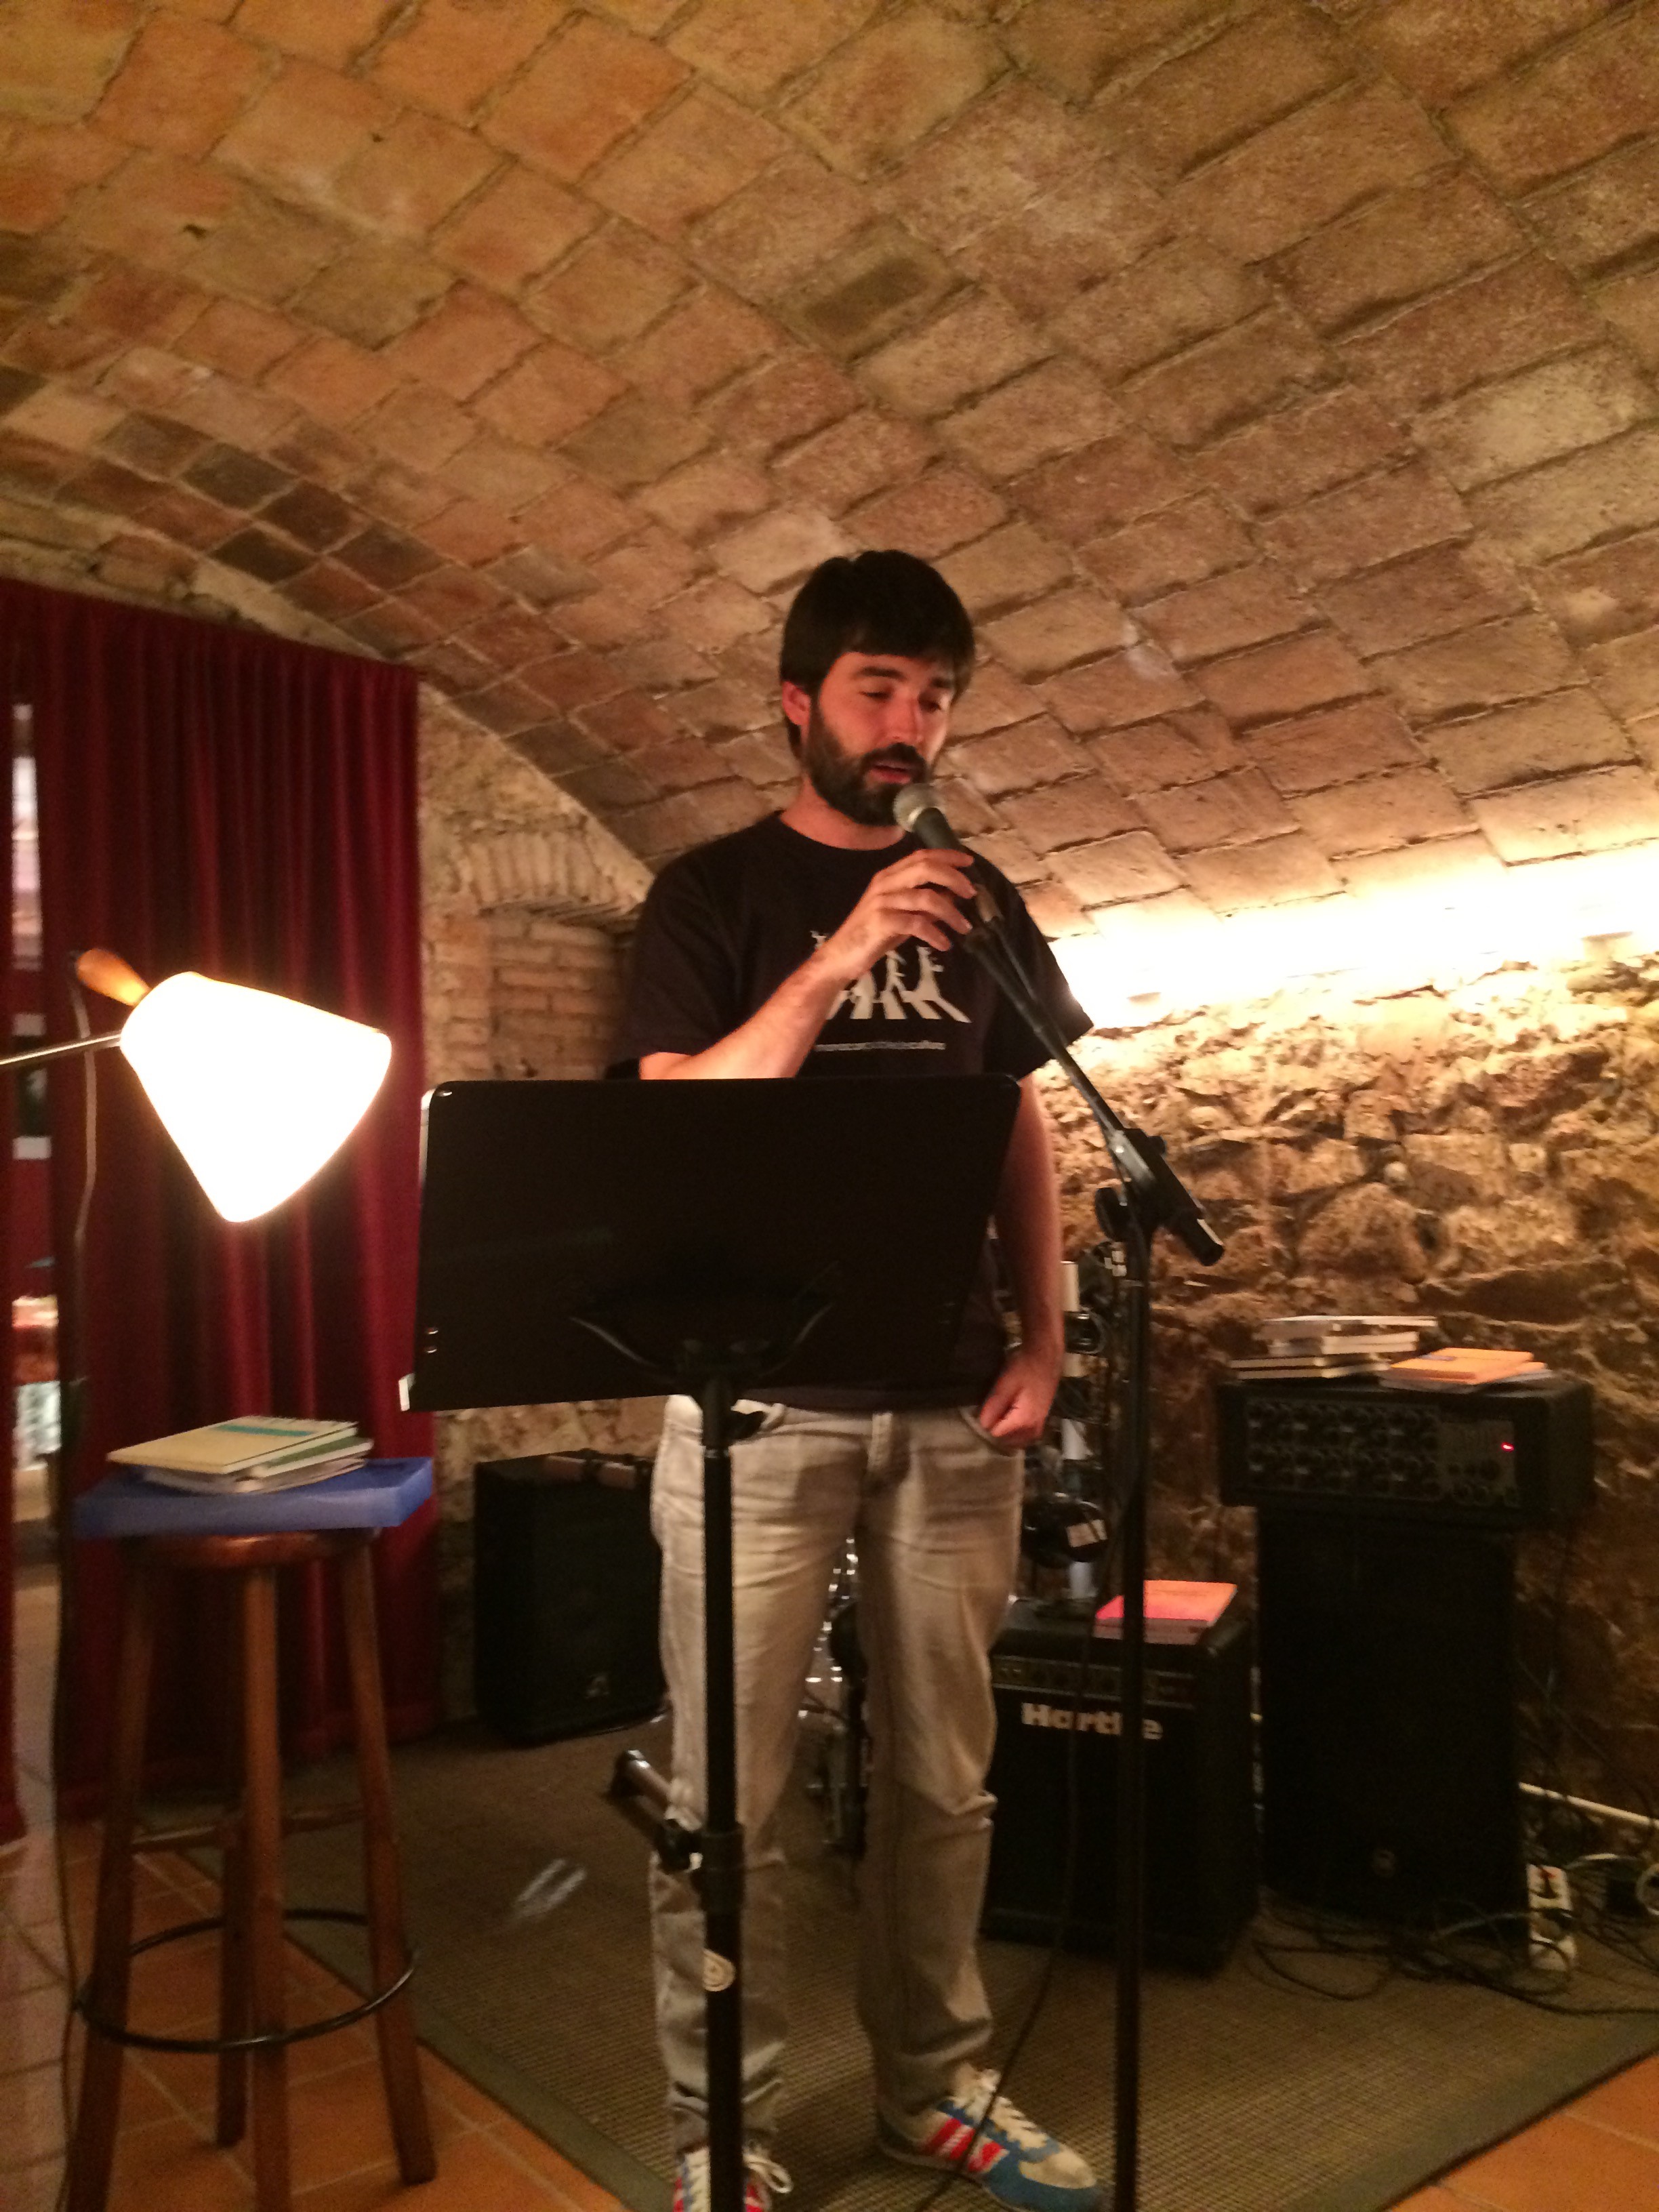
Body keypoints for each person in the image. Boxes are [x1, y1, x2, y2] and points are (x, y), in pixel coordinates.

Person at [609, 550, 1097, 2212]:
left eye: (937, 697)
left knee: (945, 1781)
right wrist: (835, 960)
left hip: (953, 1401)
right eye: (880, 689)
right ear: (798, 703)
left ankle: (933, 2088)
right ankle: (717, 2127)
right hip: (752, 1406)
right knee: (725, 1800)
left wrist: (1045, 1335)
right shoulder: (708, 896)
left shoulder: (980, 894)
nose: (912, 724)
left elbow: (1014, 1117)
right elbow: (677, 1115)